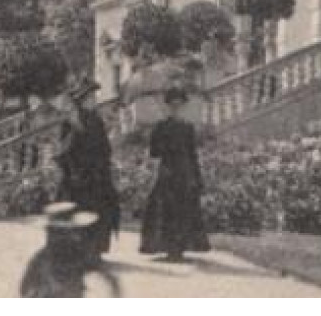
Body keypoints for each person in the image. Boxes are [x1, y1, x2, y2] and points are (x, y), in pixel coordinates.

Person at [138, 88, 210, 263]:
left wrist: (197, 176)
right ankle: (168, 247)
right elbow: (154, 152)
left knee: (185, 208)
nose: (176, 109)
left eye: (179, 105)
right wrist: (162, 144)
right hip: (168, 170)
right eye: (173, 106)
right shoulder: (161, 127)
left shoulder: (187, 128)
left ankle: (180, 247)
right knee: (166, 208)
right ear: (168, 107)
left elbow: (192, 153)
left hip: (185, 171)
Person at [53, 76, 119, 266]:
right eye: (91, 97)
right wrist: (74, 169)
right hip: (77, 176)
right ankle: (74, 253)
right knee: (77, 211)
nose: (94, 101)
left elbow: (105, 147)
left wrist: (103, 163)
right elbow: (64, 150)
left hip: (97, 174)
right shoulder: (72, 121)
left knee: (99, 210)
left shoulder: (96, 120)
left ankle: (94, 251)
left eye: (94, 97)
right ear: (82, 100)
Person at [19, 203, 121, 298]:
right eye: (52, 232)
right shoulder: (44, 256)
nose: (53, 236)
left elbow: (108, 276)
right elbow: (25, 287)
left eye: (61, 232)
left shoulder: (78, 253)